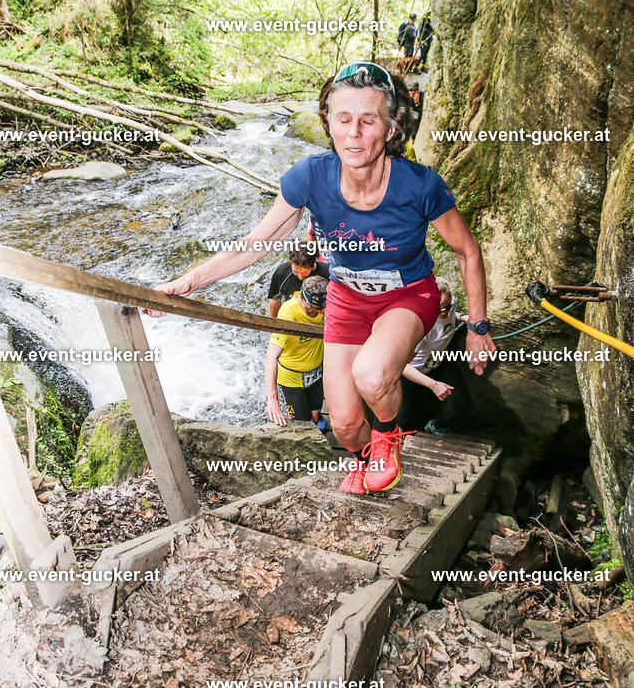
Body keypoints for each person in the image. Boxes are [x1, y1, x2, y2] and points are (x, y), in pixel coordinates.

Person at [145, 61, 496, 496]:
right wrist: (187, 283)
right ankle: (367, 451)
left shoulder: (420, 186)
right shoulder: (310, 177)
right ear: (328, 124)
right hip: (347, 300)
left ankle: (388, 439)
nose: (353, 133)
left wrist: (478, 328)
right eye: (342, 119)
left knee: (372, 375)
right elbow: (255, 244)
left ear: (390, 128)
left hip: (406, 296)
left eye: (368, 121)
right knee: (346, 426)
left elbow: (468, 251)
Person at [398, 277, 469, 437]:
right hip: (414, 373)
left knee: (458, 405)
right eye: (438, 310)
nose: (444, 313)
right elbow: (402, 366)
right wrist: (432, 385)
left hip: (439, 362)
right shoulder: (419, 327)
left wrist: (463, 317)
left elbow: (450, 314)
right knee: (405, 419)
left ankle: (435, 426)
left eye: (447, 307)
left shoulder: (449, 302)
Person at [265, 275, 327, 429]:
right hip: (291, 378)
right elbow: (270, 357)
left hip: (316, 373)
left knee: (316, 415)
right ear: (303, 299)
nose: (318, 312)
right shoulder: (288, 313)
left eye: (321, 308)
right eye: (313, 307)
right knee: (303, 423)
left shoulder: (325, 306)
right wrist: (272, 399)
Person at [267, 240, 330, 317]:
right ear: (291, 262)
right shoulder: (282, 273)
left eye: (305, 272)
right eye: (296, 271)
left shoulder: (327, 273)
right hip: (294, 314)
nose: (300, 277)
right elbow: (274, 299)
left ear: (314, 263)